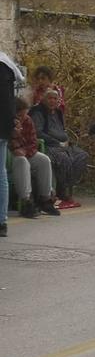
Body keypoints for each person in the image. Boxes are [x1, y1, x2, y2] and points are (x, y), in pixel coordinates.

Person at [29, 88, 88, 209]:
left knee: (81, 156)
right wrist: (57, 142)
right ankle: (61, 192)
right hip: (48, 145)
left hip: (64, 144)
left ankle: (65, 187)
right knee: (63, 159)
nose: (52, 101)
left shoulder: (58, 112)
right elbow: (38, 132)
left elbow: (62, 130)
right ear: (43, 99)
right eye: (49, 98)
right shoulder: (38, 112)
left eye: (55, 98)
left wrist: (66, 140)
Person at [9, 98, 59, 218]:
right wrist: (16, 149)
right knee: (22, 162)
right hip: (11, 154)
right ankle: (26, 201)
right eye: (20, 115)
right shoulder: (8, 122)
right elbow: (8, 141)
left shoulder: (27, 120)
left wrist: (25, 151)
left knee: (44, 160)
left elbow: (33, 141)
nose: (23, 117)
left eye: (25, 114)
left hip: (26, 151)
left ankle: (45, 199)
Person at [0, 51, 22, 237]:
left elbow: (5, 102)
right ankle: (2, 221)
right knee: (1, 174)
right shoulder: (6, 65)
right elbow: (9, 101)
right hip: (3, 128)